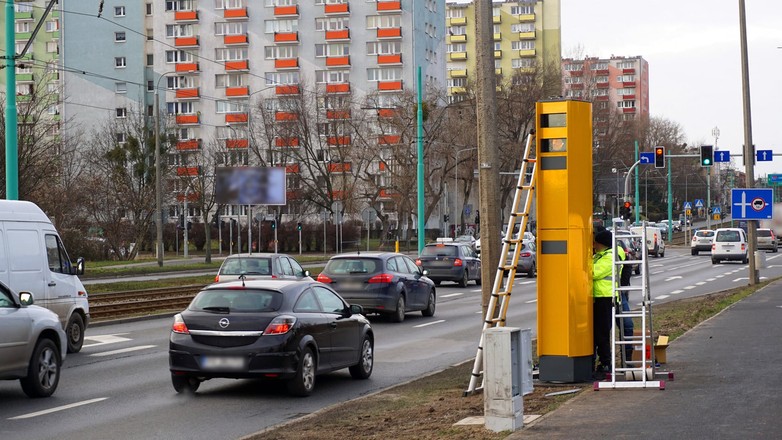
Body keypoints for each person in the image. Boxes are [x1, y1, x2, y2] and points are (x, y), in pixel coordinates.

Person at [592, 229, 617, 379]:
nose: (594, 245)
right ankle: (600, 361)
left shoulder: (609, 257)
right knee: (597, 333)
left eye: (596, 242)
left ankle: (606, 363)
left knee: (601, 333)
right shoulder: (599, 256)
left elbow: (593, 273)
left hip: (606, 298)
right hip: (598, 298)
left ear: (602, 243)